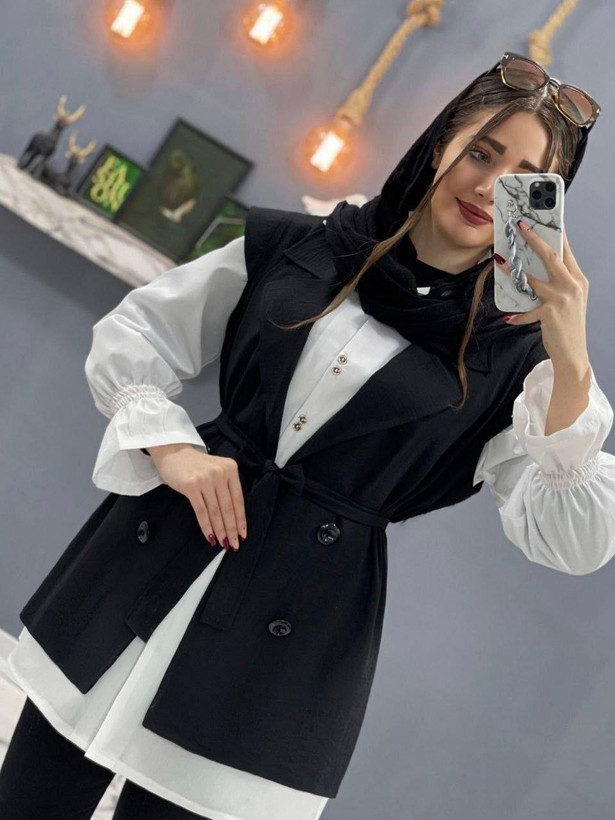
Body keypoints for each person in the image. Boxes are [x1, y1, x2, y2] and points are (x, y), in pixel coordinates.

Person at [2, 52, 614, 820]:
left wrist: (570, 356)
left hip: (284, 640)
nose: (489, 186)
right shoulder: (307, 245)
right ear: (439, 144)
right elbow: (138, 336)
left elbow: (573, 540)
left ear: (547, 204)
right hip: (146, 562)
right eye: (480, 152)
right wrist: (174, 450)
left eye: (524, 177)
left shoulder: (521, 362)